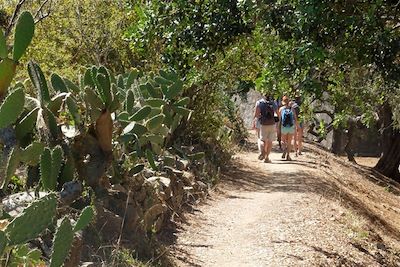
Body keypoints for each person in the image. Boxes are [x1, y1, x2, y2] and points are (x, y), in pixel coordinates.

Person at [253, 94, 277, 163]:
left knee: (262, 139)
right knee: (270, 141)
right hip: (272, 124)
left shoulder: (260, 103)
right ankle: (267, 157)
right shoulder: (273, 103)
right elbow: (277, 114)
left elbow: (257, 115)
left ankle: (263, 151)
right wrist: (276, 122)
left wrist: (255, 121)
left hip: (263, 124)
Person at [278, 96, 297, 161]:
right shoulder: (292, 109)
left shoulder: (281, 109)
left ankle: (284, 150)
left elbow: (280, 119)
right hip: (291, 127)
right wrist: (296, 126)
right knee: (289, 141)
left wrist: (278, 128)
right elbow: (295, 119)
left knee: (283, 140)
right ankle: (288, 155)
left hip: (284, 127)